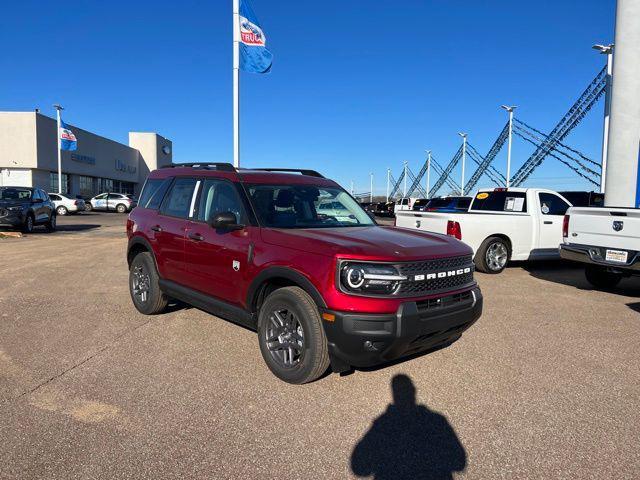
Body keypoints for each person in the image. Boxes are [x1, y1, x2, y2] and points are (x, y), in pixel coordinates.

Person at [351, 374, 466, 480]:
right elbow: (459, 462)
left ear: (394, 396)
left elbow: (359, 467)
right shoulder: (436, 421)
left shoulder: (382, 425)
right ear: (414, 392)